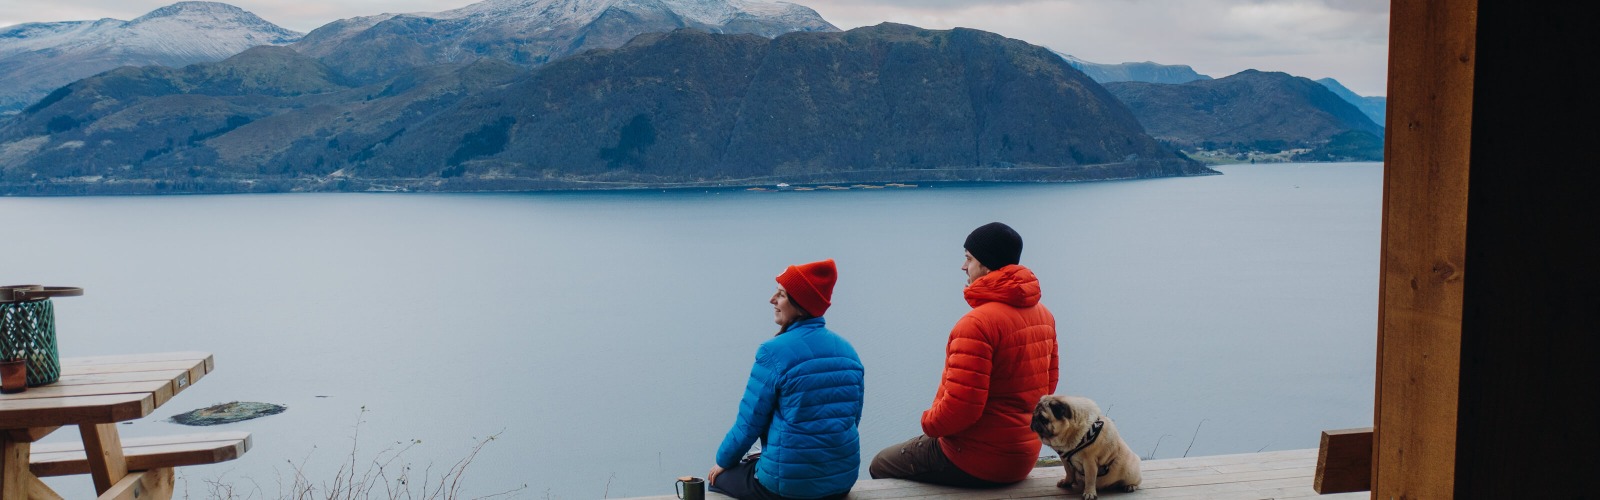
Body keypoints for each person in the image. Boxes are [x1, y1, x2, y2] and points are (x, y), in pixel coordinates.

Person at [868, 222, 1059, 487]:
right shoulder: (1044, 315)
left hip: (976, 459)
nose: (963, 266)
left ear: (988, 265)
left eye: (968, 258)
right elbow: (1047, 387)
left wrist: (928, 424)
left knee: (880, 464)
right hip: (1023, 454)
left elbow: (961, 409)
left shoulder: (977, 323)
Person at [709, 258, 865, 500]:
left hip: (789, 488)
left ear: (799, 304)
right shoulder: (849, 352)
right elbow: (851, 420)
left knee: (717, 481)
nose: (772, 300)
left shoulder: (773, 352)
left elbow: (748, 424)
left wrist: (722, 462)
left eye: (781, 295)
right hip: (841, 482)